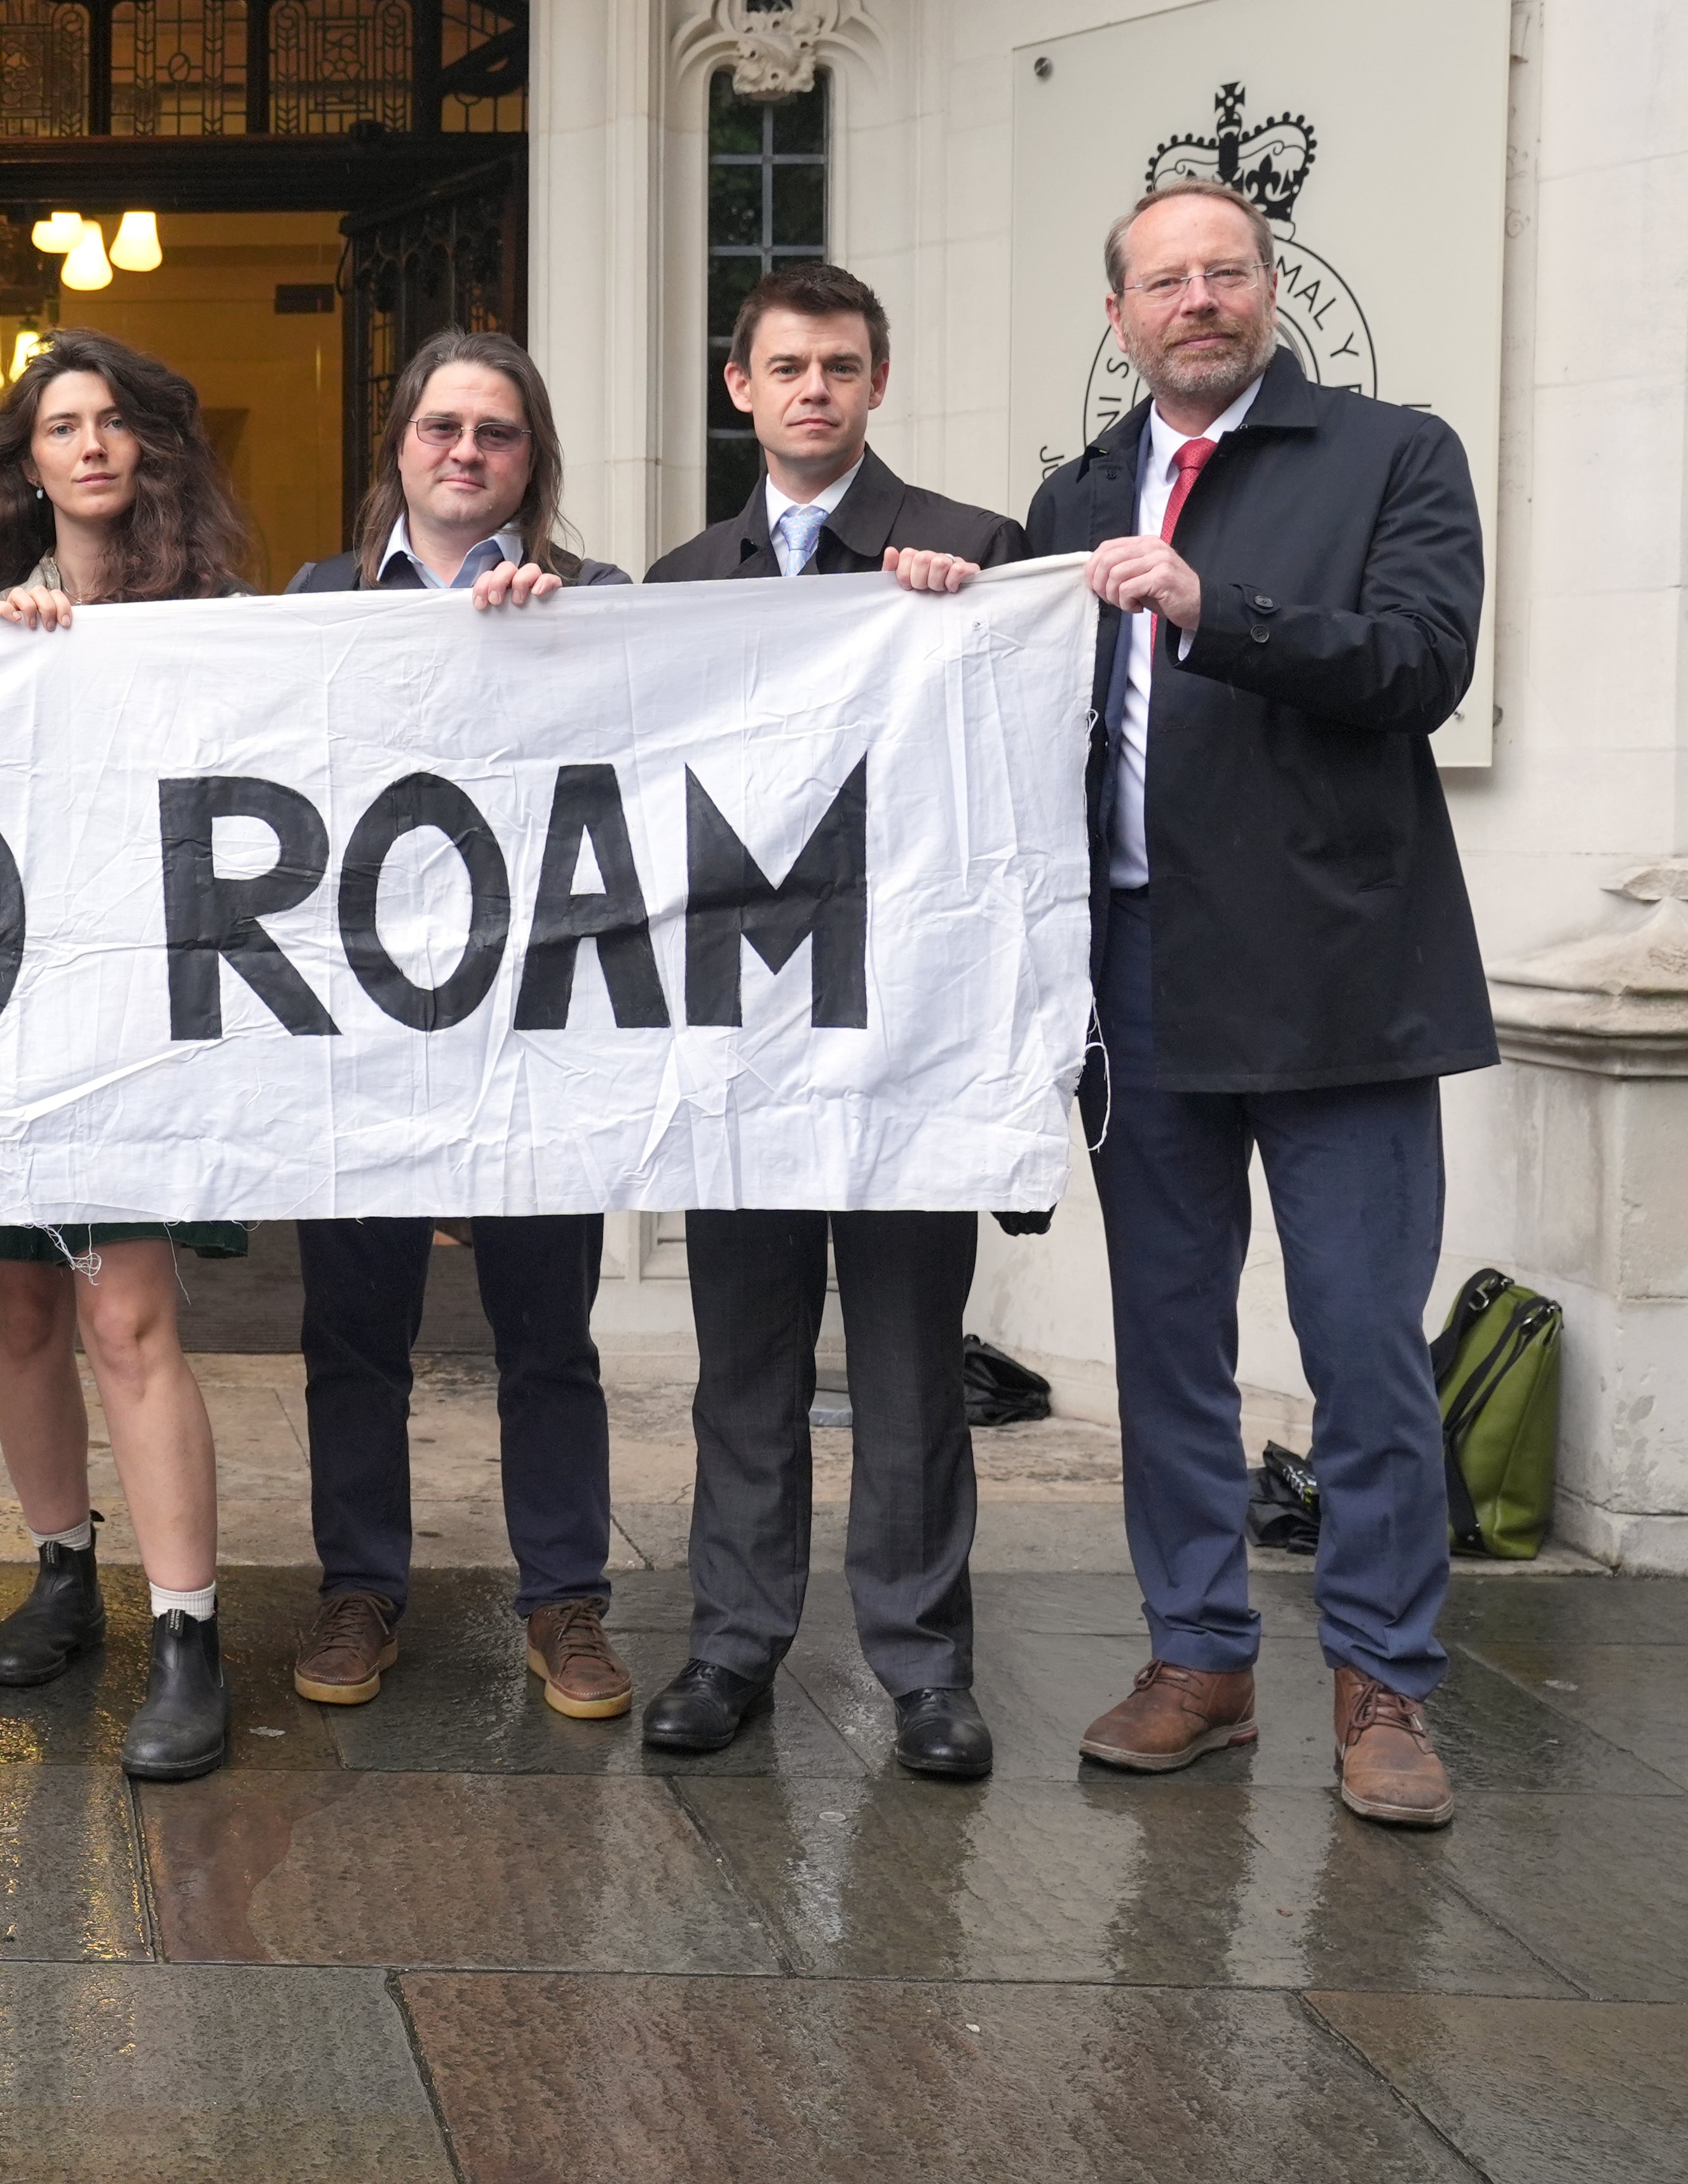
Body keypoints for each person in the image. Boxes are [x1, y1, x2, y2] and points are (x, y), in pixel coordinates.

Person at [1029, 178, 1493, 1828]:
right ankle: (1199, 1664)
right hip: (1139, 988)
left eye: (1227, 271)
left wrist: (1216, 612)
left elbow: (1422, 662)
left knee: (1363, 1350)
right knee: (1168, 1352)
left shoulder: (1393, 456)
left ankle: (1382, 1688)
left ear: (1270, 290)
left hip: (1339, 987)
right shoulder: (1075, 493)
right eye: (1167, 281)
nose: (1200, 300)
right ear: (1121, 318)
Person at [638, 260, 1028, 1778]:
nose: (815, 389)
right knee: (743, 1358)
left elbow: (1018, 791)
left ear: (877, 384)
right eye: (787, 365)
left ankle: (924, 1668)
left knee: (911, 1362)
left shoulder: (975, 552)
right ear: (740, 386)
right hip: (740, 1037)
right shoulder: (677, 586)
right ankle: (733, 1643)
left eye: (842, 366)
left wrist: (972, 626)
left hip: (907, 1040)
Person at [280, 334, 637, 1725]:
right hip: (359, 1031)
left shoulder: (598, 600)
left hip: (539, 1029)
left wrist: (574, 647)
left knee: (548, 1331)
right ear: (402, 446)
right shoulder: (312, 601)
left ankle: (566, 1597)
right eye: (442, 426)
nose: (466, 450)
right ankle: (358, 1585)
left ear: (530, 459)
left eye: (496, 431)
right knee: (351, 1332)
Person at [0, 332, 254, 1780]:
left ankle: (186, 1628)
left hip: (150, 1009)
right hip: (7, 1009)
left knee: (128, 1314)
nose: (91, 445)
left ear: (152, 447)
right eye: (62, 424)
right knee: (19, 1311)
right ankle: (63, 1567)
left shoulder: (218, 614)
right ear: (29, 460)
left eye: (116, 420)